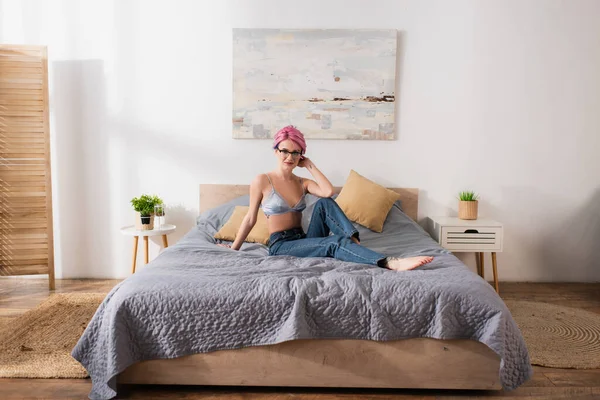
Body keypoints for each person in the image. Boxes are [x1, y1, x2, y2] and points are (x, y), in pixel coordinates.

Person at [220, 125, 433, 271]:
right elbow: (250, 218)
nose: (290, 157)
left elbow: (327, 191)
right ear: (276, 151)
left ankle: (354, 242)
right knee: (334, 243)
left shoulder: (301, 182)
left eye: (296, 153)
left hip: (303, 238)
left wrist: (310, 165)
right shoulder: (262, 181)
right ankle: (390, 263)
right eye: (285, 151)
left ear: (301, 155)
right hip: (280, 245)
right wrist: (234, 248)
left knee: (324, 203)